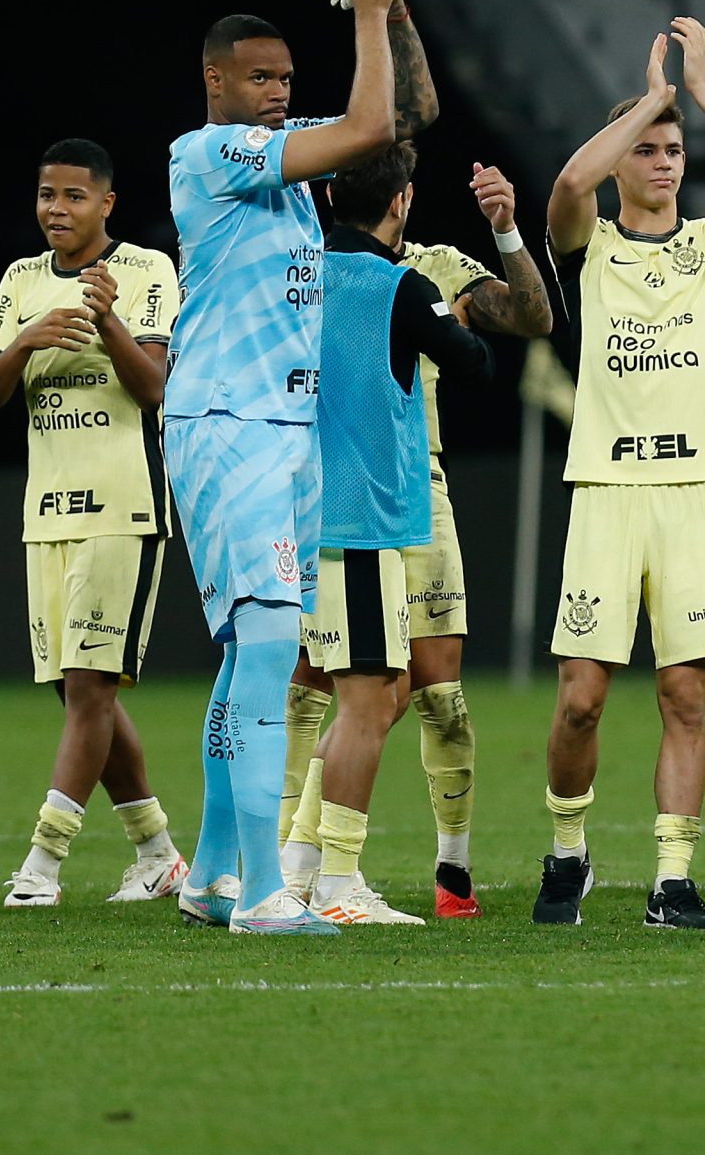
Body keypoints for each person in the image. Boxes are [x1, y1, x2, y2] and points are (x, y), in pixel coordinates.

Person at [164, 0, 426, 935]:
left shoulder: (291, 159)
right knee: (272, 646)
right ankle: (268, 892)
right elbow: (366, 122)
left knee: (250, 652)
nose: (277, 93)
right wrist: (362, 9)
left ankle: (211, 877)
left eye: (284, 78)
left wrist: (393, 7)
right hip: (229, 424)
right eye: (260, 78)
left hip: (285, 429)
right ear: (216, 81)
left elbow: (399, 121)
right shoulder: (208, 153)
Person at [533, 16, 705, 931]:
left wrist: (704, 93)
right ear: (619, 160)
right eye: (646, 147)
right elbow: (567, 183)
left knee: (686, 694)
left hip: (692, 490)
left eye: (673, 148)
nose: (664, 160)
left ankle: (672, 881)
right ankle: (567, 854)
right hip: (606, 488)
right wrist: (648, 96)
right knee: (581, 700)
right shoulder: (588, 242)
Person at [281, 148, 552, 919]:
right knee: (367, 700)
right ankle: (335, 881)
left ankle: (298, 864)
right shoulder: (403, 281)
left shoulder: (292, 274)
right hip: (368, 512)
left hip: (303, 507)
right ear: (400, 200)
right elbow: (473, 362)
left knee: (392, 687)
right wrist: (437, 313)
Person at [0, 138, 187, 907]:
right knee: (77, 692)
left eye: (72, 196)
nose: (55, 209)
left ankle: (43, 862)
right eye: (45, 194)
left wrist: (107, 319)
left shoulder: (147, 270)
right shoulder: (21, 280)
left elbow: (155, 385)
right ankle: (156, 850)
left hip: (124, 504)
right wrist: (25, 338)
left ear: (107, 204)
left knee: (91, 686)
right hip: (45, 511)